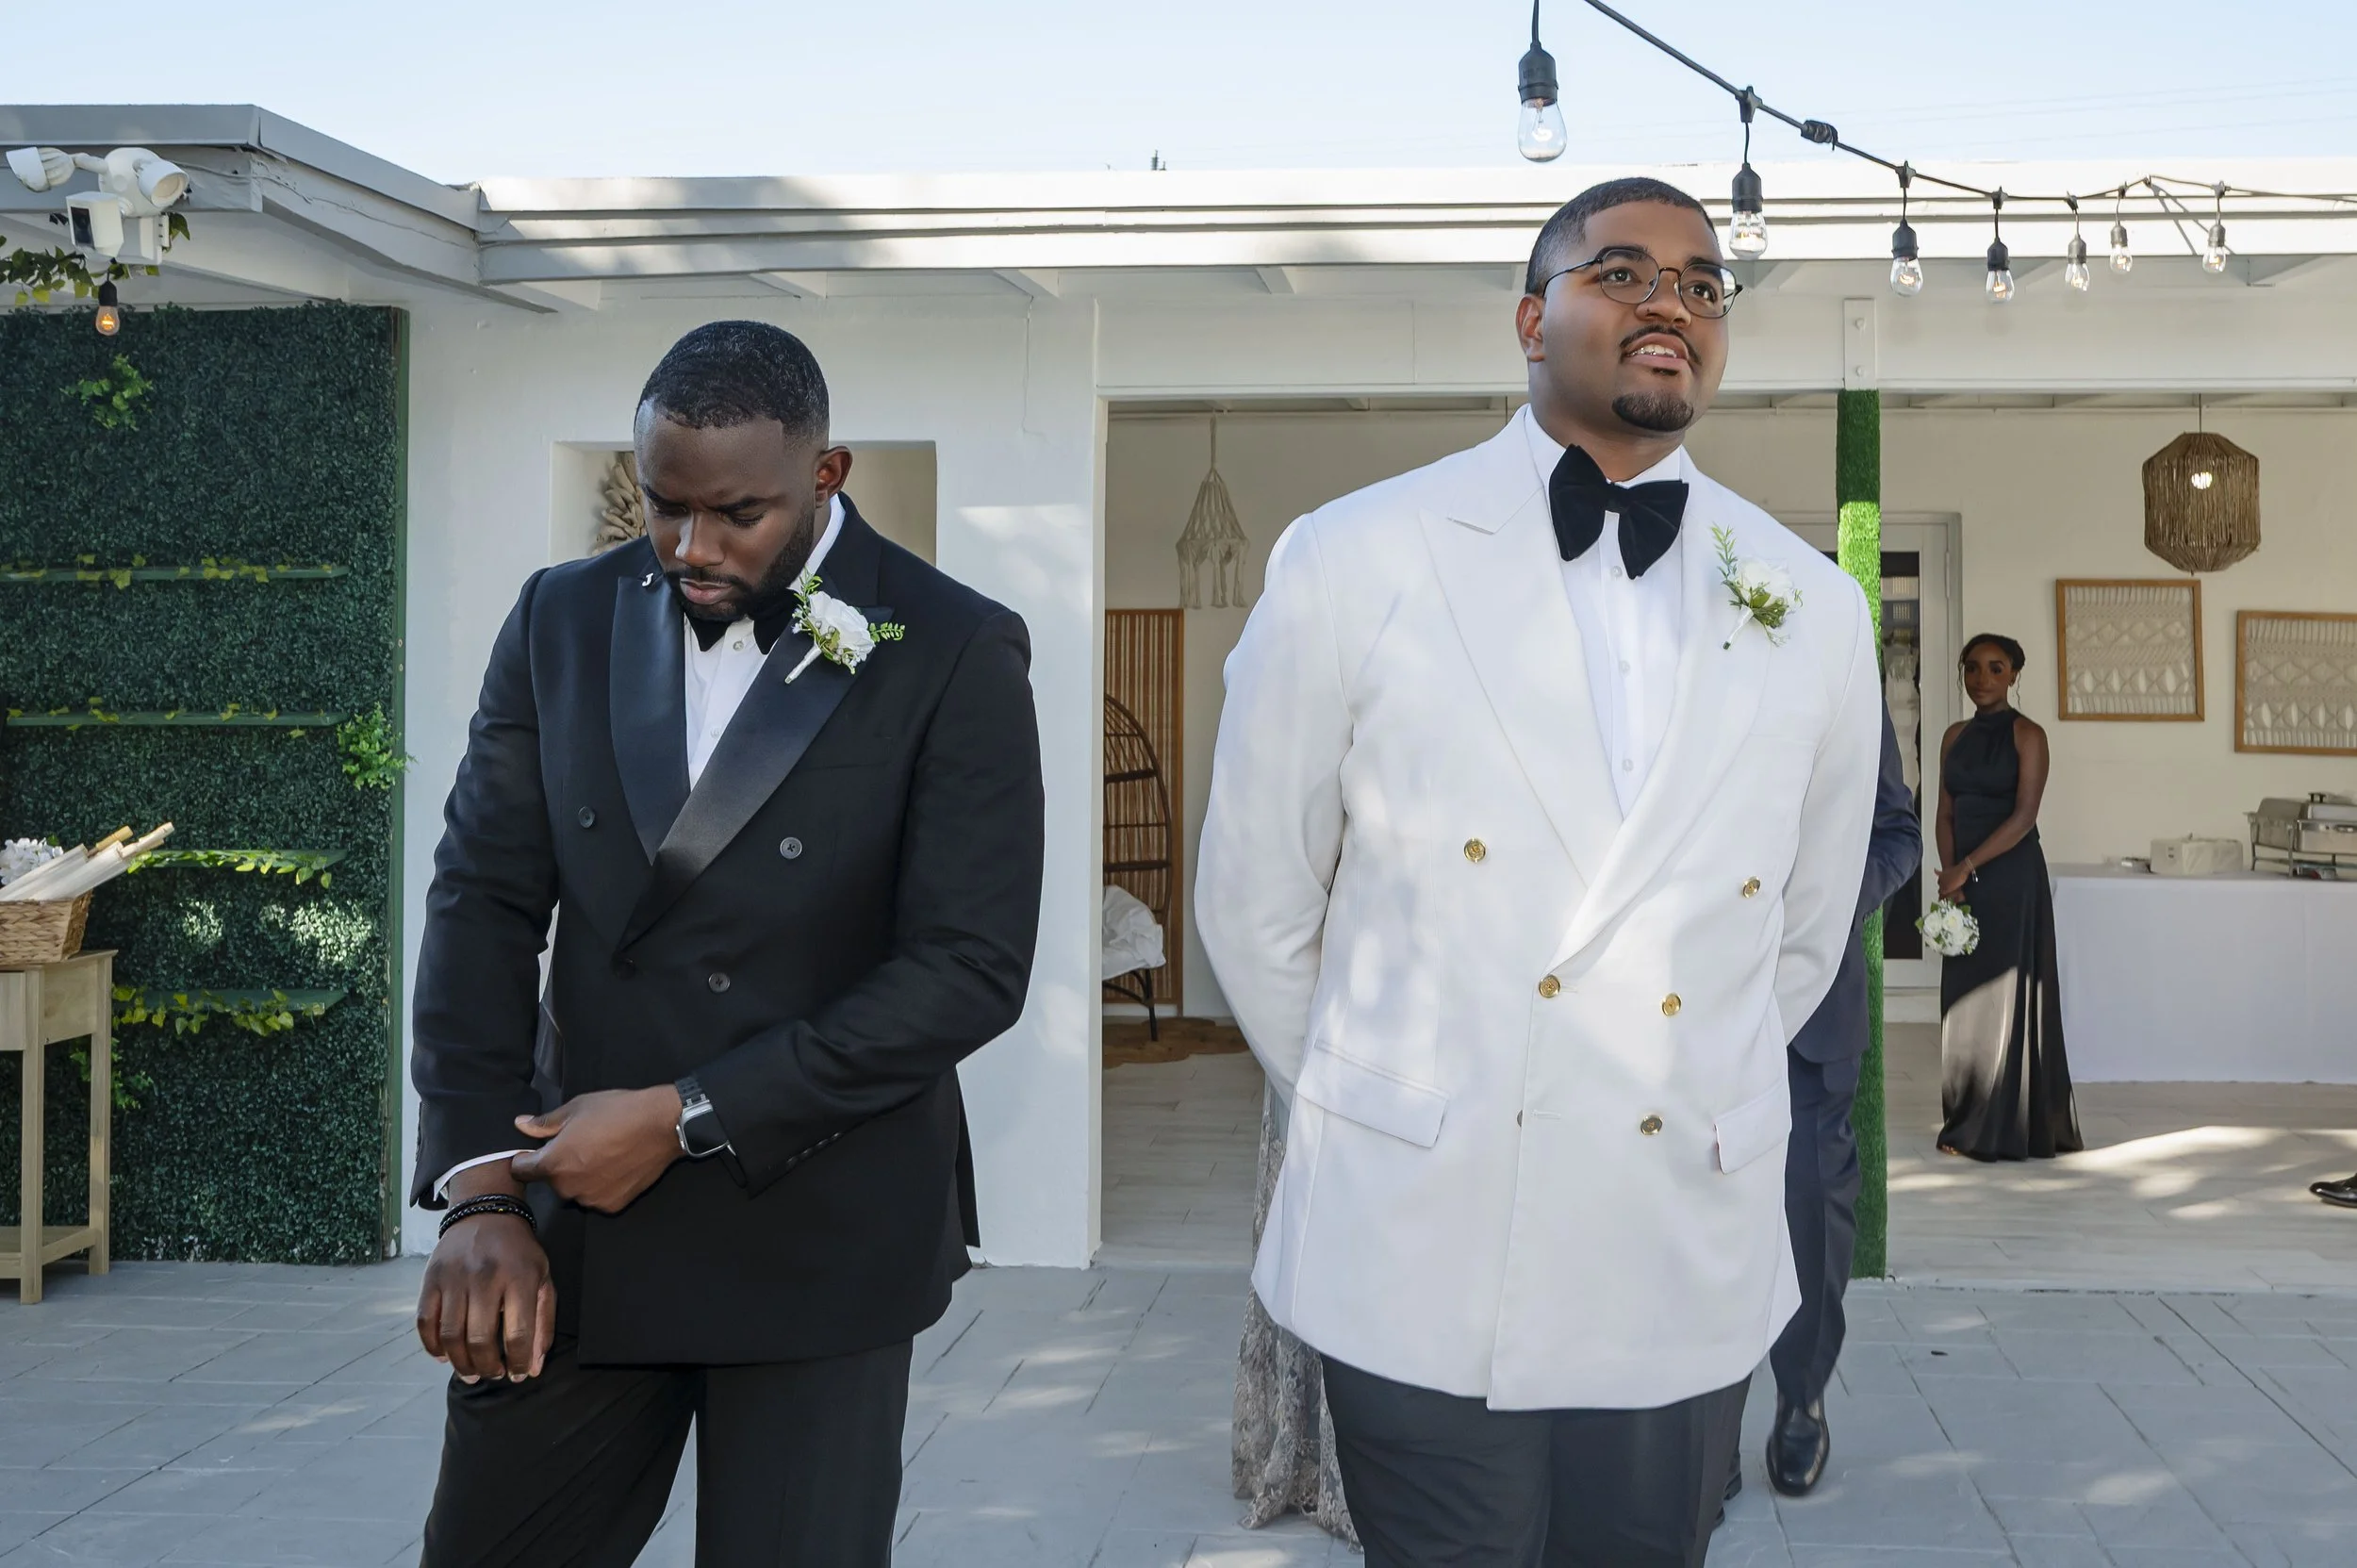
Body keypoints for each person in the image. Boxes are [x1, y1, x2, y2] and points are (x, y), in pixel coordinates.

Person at [1195, 176, 1880, 1568]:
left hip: (1675, 1219)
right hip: (1425, 1227)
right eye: (1621, 271)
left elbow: (1802, 931)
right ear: (1531, 316)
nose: (1668, 303)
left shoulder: (1811, 602)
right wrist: (1394, 1097)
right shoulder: (1353, 555)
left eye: (1699, 282)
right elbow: (1258, 902)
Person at [406, 321, 1045, 1567]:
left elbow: (969, 963)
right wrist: (480, 1184)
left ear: (827, 474)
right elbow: (481, 899)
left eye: (737, 513)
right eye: (664, 505)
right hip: (578, 1212)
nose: (691, 548)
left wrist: (688, 1112)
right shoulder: (559, 617)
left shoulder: (956, 642)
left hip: (824, 1223)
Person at [1757, 705, 1920, 1500]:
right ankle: (1693, 1421)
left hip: (1816, 1001)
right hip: (1676, 996)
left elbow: (1899, 832)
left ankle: (1803, 1395)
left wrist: (1827, 909)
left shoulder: (1844, 683)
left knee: (1813, 1195)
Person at [1936, 634, 2082, 1161]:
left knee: (2005, 997)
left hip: (2010, 877)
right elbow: (1945, 813)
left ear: (2014, 675)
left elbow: (2024, 818)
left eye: (1995, 669)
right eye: (1972, 668)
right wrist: (1950, 873)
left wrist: (1966, 868)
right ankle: (1963, 1118)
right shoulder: (1953, 736)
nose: (1982, 679)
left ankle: (2004, 1124)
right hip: (1962, 877)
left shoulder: (2029, 735)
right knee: (1962, 997)